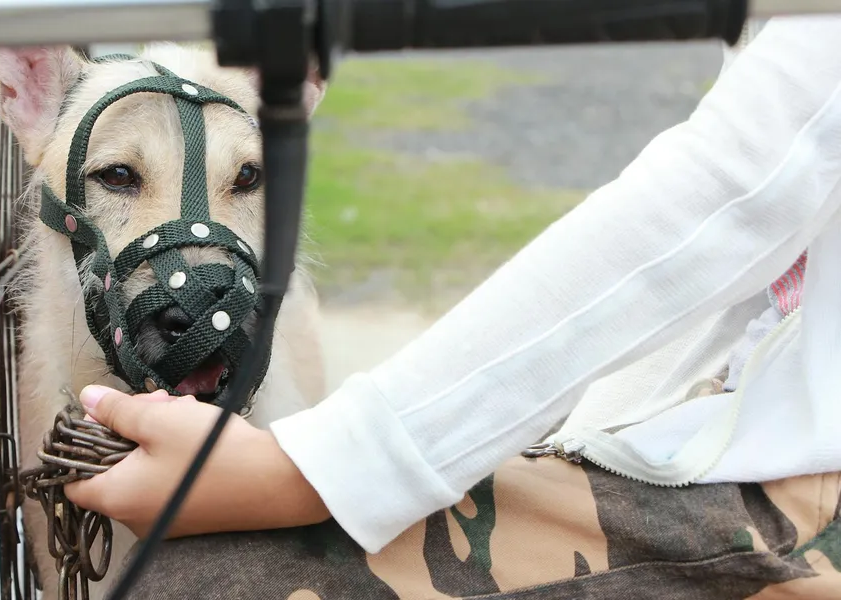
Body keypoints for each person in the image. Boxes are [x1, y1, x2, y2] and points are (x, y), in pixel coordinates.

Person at [65, 14, 841, 598]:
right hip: (744, 404)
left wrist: (317, 469)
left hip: (809, 476)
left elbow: (747, 179)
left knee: (202, 582)